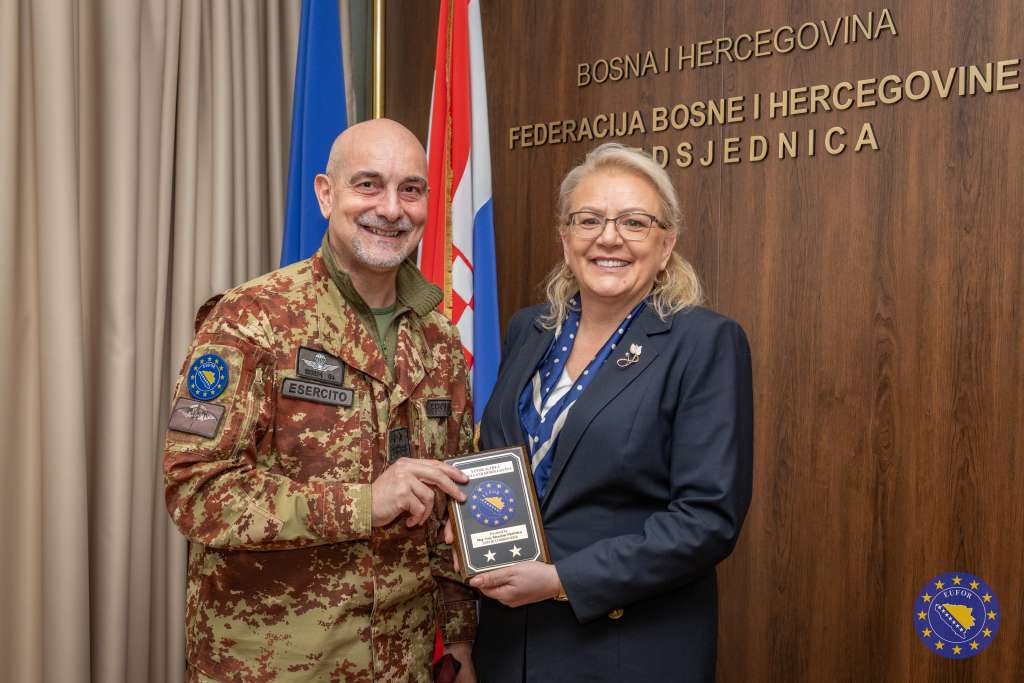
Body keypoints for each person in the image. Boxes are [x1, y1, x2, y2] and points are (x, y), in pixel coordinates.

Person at [164, 119, 477, 683]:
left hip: (402, 664)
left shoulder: (440, 339)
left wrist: (458, 638)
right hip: (272, 664)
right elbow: (196, 489)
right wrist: (364, 503)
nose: (391, 209)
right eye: (368, 185)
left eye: (410, 189)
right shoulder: (251, 319)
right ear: (326, 194)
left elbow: (448, 503)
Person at [467, 143, 753, 681]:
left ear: (666, 245)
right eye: (589, 219)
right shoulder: (530, 329)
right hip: (510, 645)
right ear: (565, 237)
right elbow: (501, 462)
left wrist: (562, 580)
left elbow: (707, 520)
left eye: (634, 222)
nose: (609, 237)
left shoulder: (703, 342)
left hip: (623, 649)